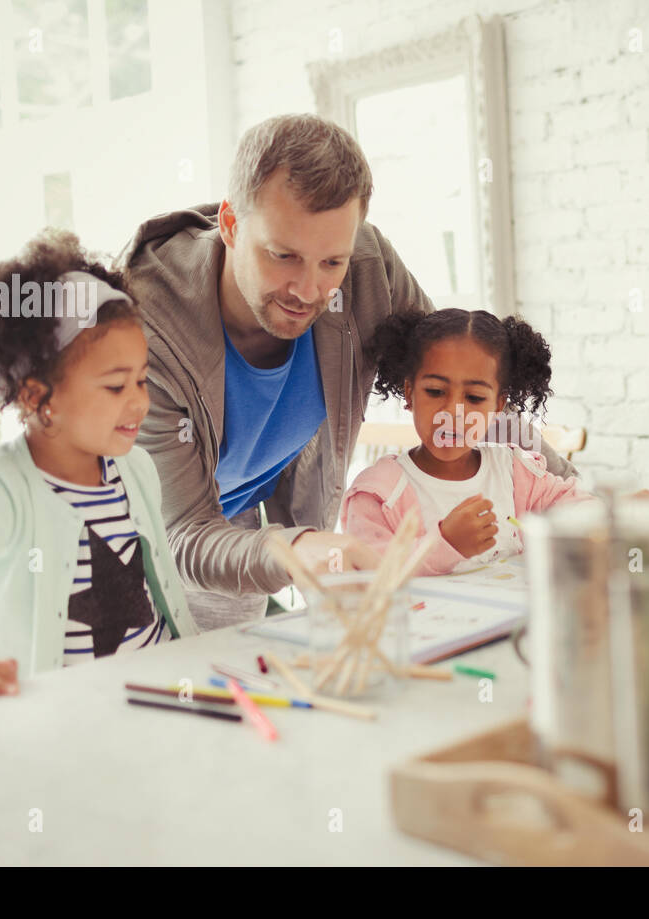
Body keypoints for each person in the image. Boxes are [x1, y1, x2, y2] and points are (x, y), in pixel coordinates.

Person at [120, 114, 576, 629]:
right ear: (230, 224)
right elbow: (182, 534)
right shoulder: (146, 330)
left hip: (245, 508)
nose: (309, 291)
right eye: (283, 255)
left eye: (331, 262)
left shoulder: (368, 269)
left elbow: (464, 378)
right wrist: (299, 549)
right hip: (145, 534)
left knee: (242, 668)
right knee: (175, 681)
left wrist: (576, 488)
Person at [0, 231, 197, 698]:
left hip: (158, 694)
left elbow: (161, 590)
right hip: (61, 717)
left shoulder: (137, 470)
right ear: (37, 397)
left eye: (142, 381)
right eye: (115, 387)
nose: (139, 403)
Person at [341, 308, 592, 574]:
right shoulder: (380, 493)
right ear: (410, 392)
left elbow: (579, 508)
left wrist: (621, 513)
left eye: (474, 398)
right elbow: (363, 571)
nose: (453, 412)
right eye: (436, 391)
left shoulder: (517, 472)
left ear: (498, 405)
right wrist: (444, 544)